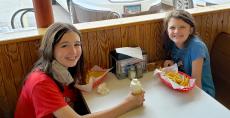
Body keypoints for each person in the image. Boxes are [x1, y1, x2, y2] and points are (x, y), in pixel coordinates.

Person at [15, 22, 145, 118]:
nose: (73, 52)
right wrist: (128, 104)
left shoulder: (64, 70)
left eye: (77, 44)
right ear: (50, 49)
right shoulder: (40, 82)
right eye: (64, 45)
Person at [162, 10, 215, 97]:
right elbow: (180, 67)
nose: (176, 31)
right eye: (172, 27)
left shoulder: (197, 47)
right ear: (167, 30)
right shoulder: (174, 43)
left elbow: (196, 85)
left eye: (182, 27)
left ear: (190, 30)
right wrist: (172, 66)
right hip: (184, 89)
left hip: (203, 94)